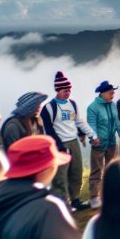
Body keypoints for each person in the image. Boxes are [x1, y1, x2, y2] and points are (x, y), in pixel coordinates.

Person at [41, 71, 99, 211]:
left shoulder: (72, 104)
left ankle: (75, 200)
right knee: (60, 176)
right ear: (58, 90)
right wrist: (59, 146)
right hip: (60, 144)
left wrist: (92, 135)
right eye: (65, 90)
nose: (68, 93)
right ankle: (60, 204)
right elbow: (48, 129)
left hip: (73, 142)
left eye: (69, 90)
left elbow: (79, 122)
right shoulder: (49, 108)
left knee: (76, 172)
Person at [87, 81, 120, 210]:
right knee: (97, 171)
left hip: (112, 143)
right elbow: (91, 125)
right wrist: (93, 137)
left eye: (113, 92)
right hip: (99, 144)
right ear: (103, 93)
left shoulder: (113, 105)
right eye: (110, 93)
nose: (113, 94)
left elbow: (117, 122)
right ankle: (94, 197)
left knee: (111, 169)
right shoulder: (92, 107)